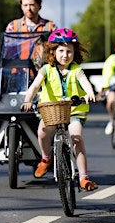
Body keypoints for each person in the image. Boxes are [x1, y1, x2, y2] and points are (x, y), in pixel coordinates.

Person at [20, 28, 98, 191]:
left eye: (69, 51)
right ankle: (46, 158)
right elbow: (35, 86)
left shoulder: (76, 69)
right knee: (42, 132)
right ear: (53, 52)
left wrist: (90, 93)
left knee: (76, 138)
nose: (65, 55)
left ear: (74, 52)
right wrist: (27, 101)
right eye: (61, 51)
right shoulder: (46, 69)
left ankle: (84, 178)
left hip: (74, 111)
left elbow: (85, 83)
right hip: (51, 111)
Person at [0, 0, 57, 147]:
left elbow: (56, 52)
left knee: (41, 112)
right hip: (18, 75)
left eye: (32, 5)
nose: (28, 9)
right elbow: (8, 51)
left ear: (39, 5)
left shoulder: (50, 27)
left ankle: (45, 146)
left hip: (41, 75)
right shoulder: (13, 26)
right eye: (25, 5)